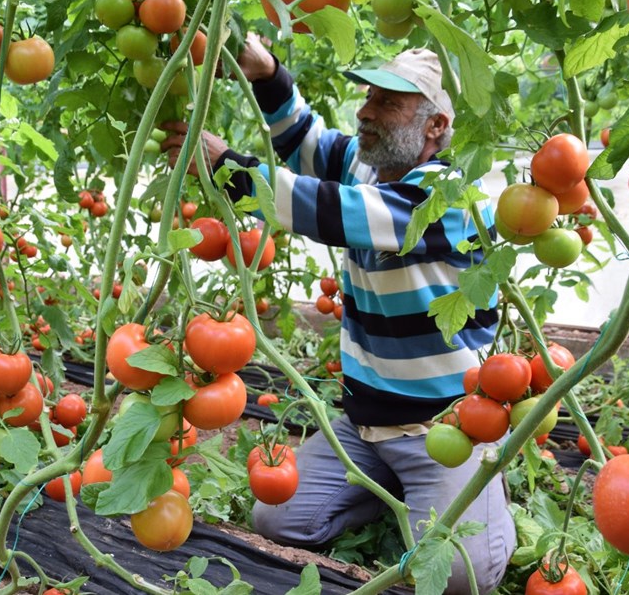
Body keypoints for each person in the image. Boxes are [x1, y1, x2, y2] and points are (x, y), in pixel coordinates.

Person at [161, 35, 515, 594]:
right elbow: (306, 142)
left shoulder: (454, 200)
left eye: (387, 103)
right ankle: (399, 490)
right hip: (366, 425)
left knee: (459, 576)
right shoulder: (370, 166)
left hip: (448, 428)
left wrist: (229, 167)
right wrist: (267, 72)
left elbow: (338, 212)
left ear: (435, 127)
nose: (366, 112)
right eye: (369, 96)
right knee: (277, 519)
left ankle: (462, 491)